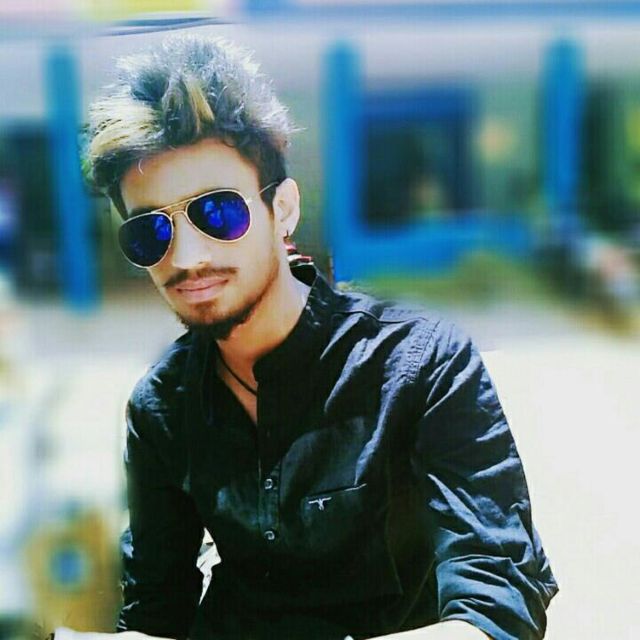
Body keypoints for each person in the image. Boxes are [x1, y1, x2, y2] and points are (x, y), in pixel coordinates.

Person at [84, 34, 558, 640]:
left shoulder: (423, 363)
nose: (187, 257)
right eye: (150, 232)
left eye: (218, 213)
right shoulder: (161, 407)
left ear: (283, 209)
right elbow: (157, 609)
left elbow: (497, 603)